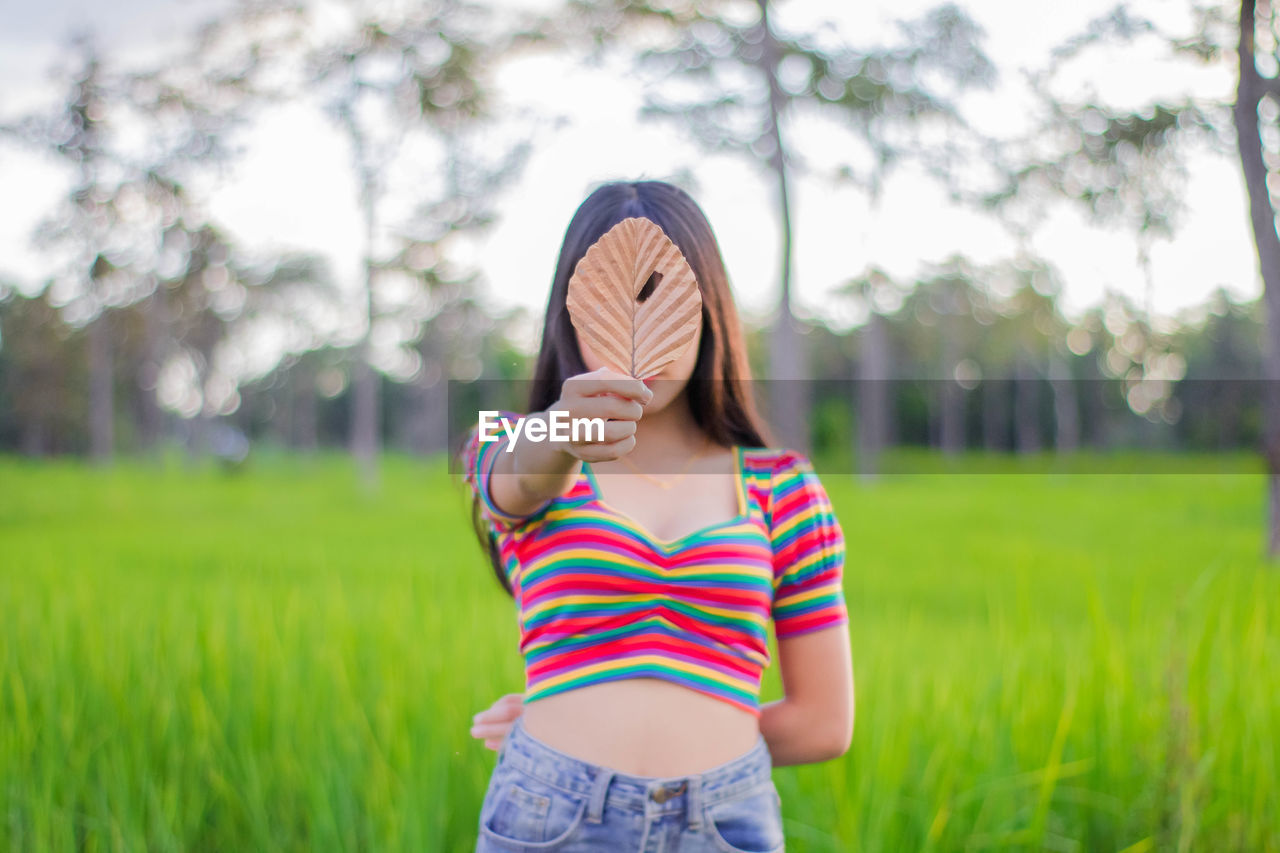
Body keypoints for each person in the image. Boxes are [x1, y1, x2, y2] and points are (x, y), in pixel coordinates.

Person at [459, 180, 854, 852]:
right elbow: (514, 485)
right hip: (553, 813)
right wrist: (563, 431)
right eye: (606, 301)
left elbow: (824, 723)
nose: (635, 325)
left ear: (707, 309)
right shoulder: (519, 441)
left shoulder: (781, 485)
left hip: (726, 822)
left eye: (661, 296)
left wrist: (686, 726)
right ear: (569, 315)